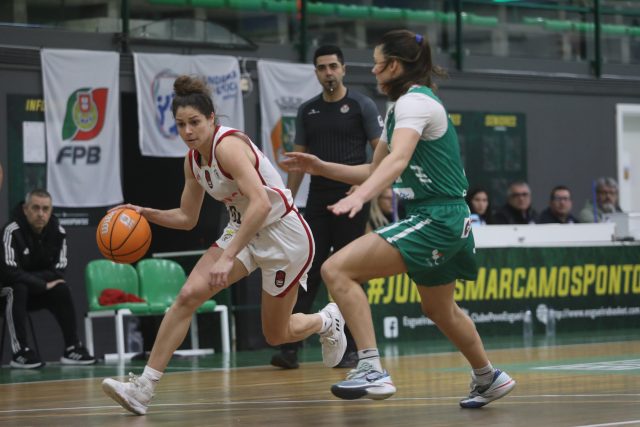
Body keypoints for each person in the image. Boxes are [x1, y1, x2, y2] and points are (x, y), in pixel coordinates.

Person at [282, 29, 515, 407]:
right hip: (449, 217)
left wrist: (361, 196)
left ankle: (371, 366)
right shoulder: (403, 108)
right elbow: (373, 169)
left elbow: (397, 160)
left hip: (437, 215)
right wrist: (321, 166)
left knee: (336, 270)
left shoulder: (414, 105)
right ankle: (488, 377)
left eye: (377, 64)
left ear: (394, 66)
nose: (373, 72)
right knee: (439, 309)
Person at [101, 75, 346, 416]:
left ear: (212, 118)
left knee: (276, 334)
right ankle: (144, 388)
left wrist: (226, 257)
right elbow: (187, 217)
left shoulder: (227, 147)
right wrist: (144, 212)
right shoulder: (192, 161)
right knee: (187, 296)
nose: (188, 131)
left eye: (195, 122)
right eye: (181, 124)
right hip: (242, 229)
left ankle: (326, 320)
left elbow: (260, 204)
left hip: (283, 235)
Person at [271, 45, 383, 370]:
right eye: (322, 67)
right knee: (308, 270)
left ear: (344, 69)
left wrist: (364, 186)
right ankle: (291, 348)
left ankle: (354, 349)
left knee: (348, 271)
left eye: (333, 66)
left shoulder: (361, 104)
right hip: (318, 200)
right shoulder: (308, 111)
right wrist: (288, 203)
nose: (328, 72)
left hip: (352, 199)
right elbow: (297, 161)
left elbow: (382, 154)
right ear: (316, 73)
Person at [0, 189, 96, 368]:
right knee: (17, 287)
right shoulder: (11, 230)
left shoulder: (58, 232)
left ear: (51, 211)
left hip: (33, 291)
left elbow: (59, 271)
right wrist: (42, 283)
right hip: (6, 294)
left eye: (45, 209)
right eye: (35, 208)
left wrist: (37, 283)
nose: (40, 214)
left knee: (61, 288)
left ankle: (72, 348)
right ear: (25, 209)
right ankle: (20, 352)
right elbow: (9, 273)